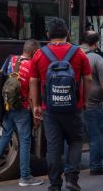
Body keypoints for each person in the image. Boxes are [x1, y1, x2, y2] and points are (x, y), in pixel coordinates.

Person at [29, 18, 92, 191]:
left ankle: (54, 184)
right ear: (68, 34)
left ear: (48, 35)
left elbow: (33, 81)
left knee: (53, 147)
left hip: (49, 109)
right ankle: (71, 179)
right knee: (76, 140)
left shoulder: (39, 54)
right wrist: (84, 100)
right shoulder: (79, 53)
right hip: (74, 108)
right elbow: (88, 78)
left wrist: (36, 105)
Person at [0, 39, 43, 187]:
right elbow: (32, 94)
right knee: (25, 141)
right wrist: (35, 113)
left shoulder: (10, 59)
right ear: (34, 52)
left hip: (8, 106)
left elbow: (1, 79)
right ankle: (25, 177)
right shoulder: (32, 65)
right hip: (22, 108)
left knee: (5, 136)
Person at [80, 31, 103, 175]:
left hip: (73, 105)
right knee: (96, 136)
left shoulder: (72, 55)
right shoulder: (96, 58)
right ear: (96, 43)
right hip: (92, 105)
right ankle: (96, 166)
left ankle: (70, 166)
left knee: (73, 138)